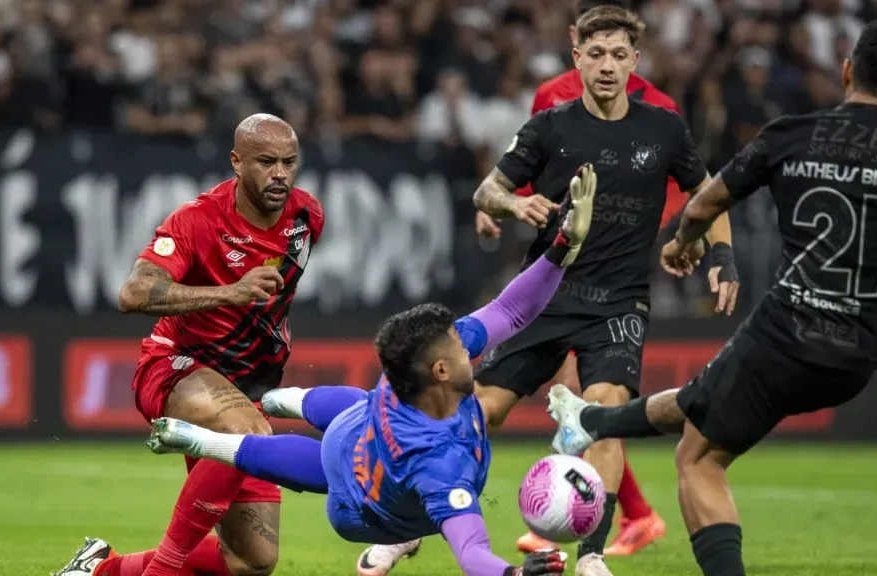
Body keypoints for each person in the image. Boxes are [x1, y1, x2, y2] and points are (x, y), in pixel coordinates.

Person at [546, 19, 877, 576]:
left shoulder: (789, 133)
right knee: (702, 399)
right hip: (858, 353)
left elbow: (702, 203)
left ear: (845, 72)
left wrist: (684, 244)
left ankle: (591, 424)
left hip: (786, 333)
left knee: (697, 456)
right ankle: (591, 422)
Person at [139, 164, 598, 576]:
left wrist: (563, 246)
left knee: (355, 417)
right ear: (440, 370)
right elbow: (473, 551)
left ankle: (284, 401)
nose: (472, 349)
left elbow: (510, 310)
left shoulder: (408, 376)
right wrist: (515, 574)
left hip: (367, 431)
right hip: (363, 512)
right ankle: (245, 428)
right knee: (337, 465)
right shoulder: (441, 467)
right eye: (461, 349)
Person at [470, 7, 736, 576]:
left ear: (635, 61)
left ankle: (591, 558)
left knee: (604, 412)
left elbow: (709, 194)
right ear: (578, 59)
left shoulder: (664, 127)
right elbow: (487, 190)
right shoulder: (550, 125)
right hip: (544, 295)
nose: (607, 66)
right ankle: (434, 516)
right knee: (480, 412)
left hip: (618, 301)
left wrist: (721, 256)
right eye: (596, 55)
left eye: (619, 55)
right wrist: (515, 203)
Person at [53, 114, 324, 576]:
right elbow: (133, 294)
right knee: (250, 434)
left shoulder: (306, 216)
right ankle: (164, 570)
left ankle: (98, 568)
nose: (280, 173)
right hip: (175, 367)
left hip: (243, 390)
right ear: (236, 162)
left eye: (289, 162)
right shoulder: (197, 220)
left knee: (251, 562)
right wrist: (229, 291)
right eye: (266, 162)